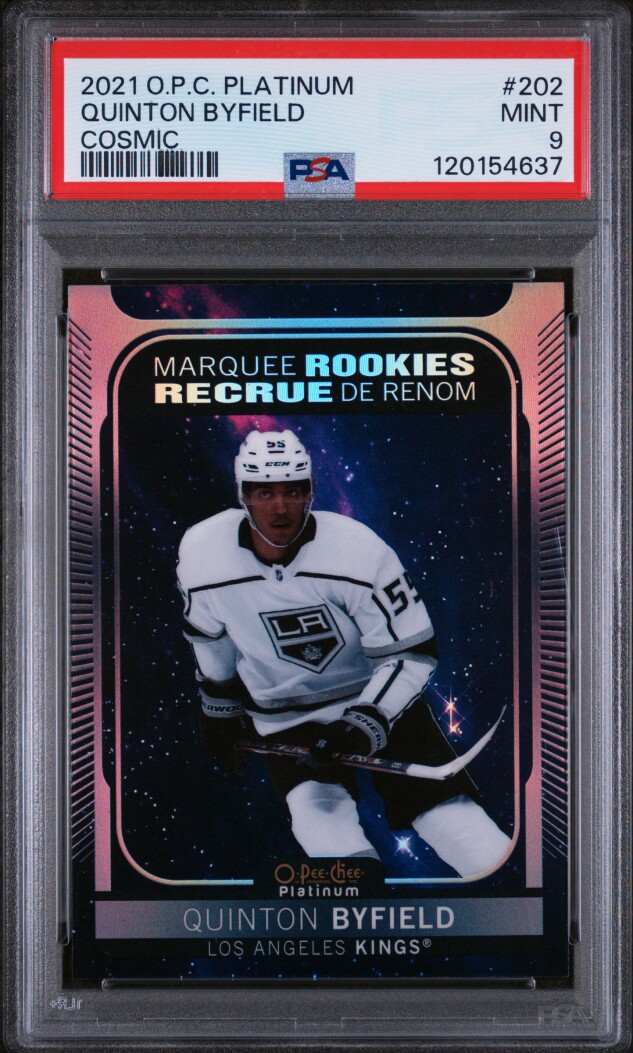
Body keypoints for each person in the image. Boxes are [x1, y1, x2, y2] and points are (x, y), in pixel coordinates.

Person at [177, 429, 511, 876]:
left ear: (311, 492)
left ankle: (508, 899)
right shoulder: (202, 554)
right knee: (321, 828)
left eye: (293, 490)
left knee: (455, 823)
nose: (280, 507)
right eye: (264, 492)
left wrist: (363, 723)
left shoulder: (358, 550)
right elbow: (210, 635)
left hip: (378, 701)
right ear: (243, 495)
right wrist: (217, 707)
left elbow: (413, 652)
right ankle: (362, 912)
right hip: (285, 715)